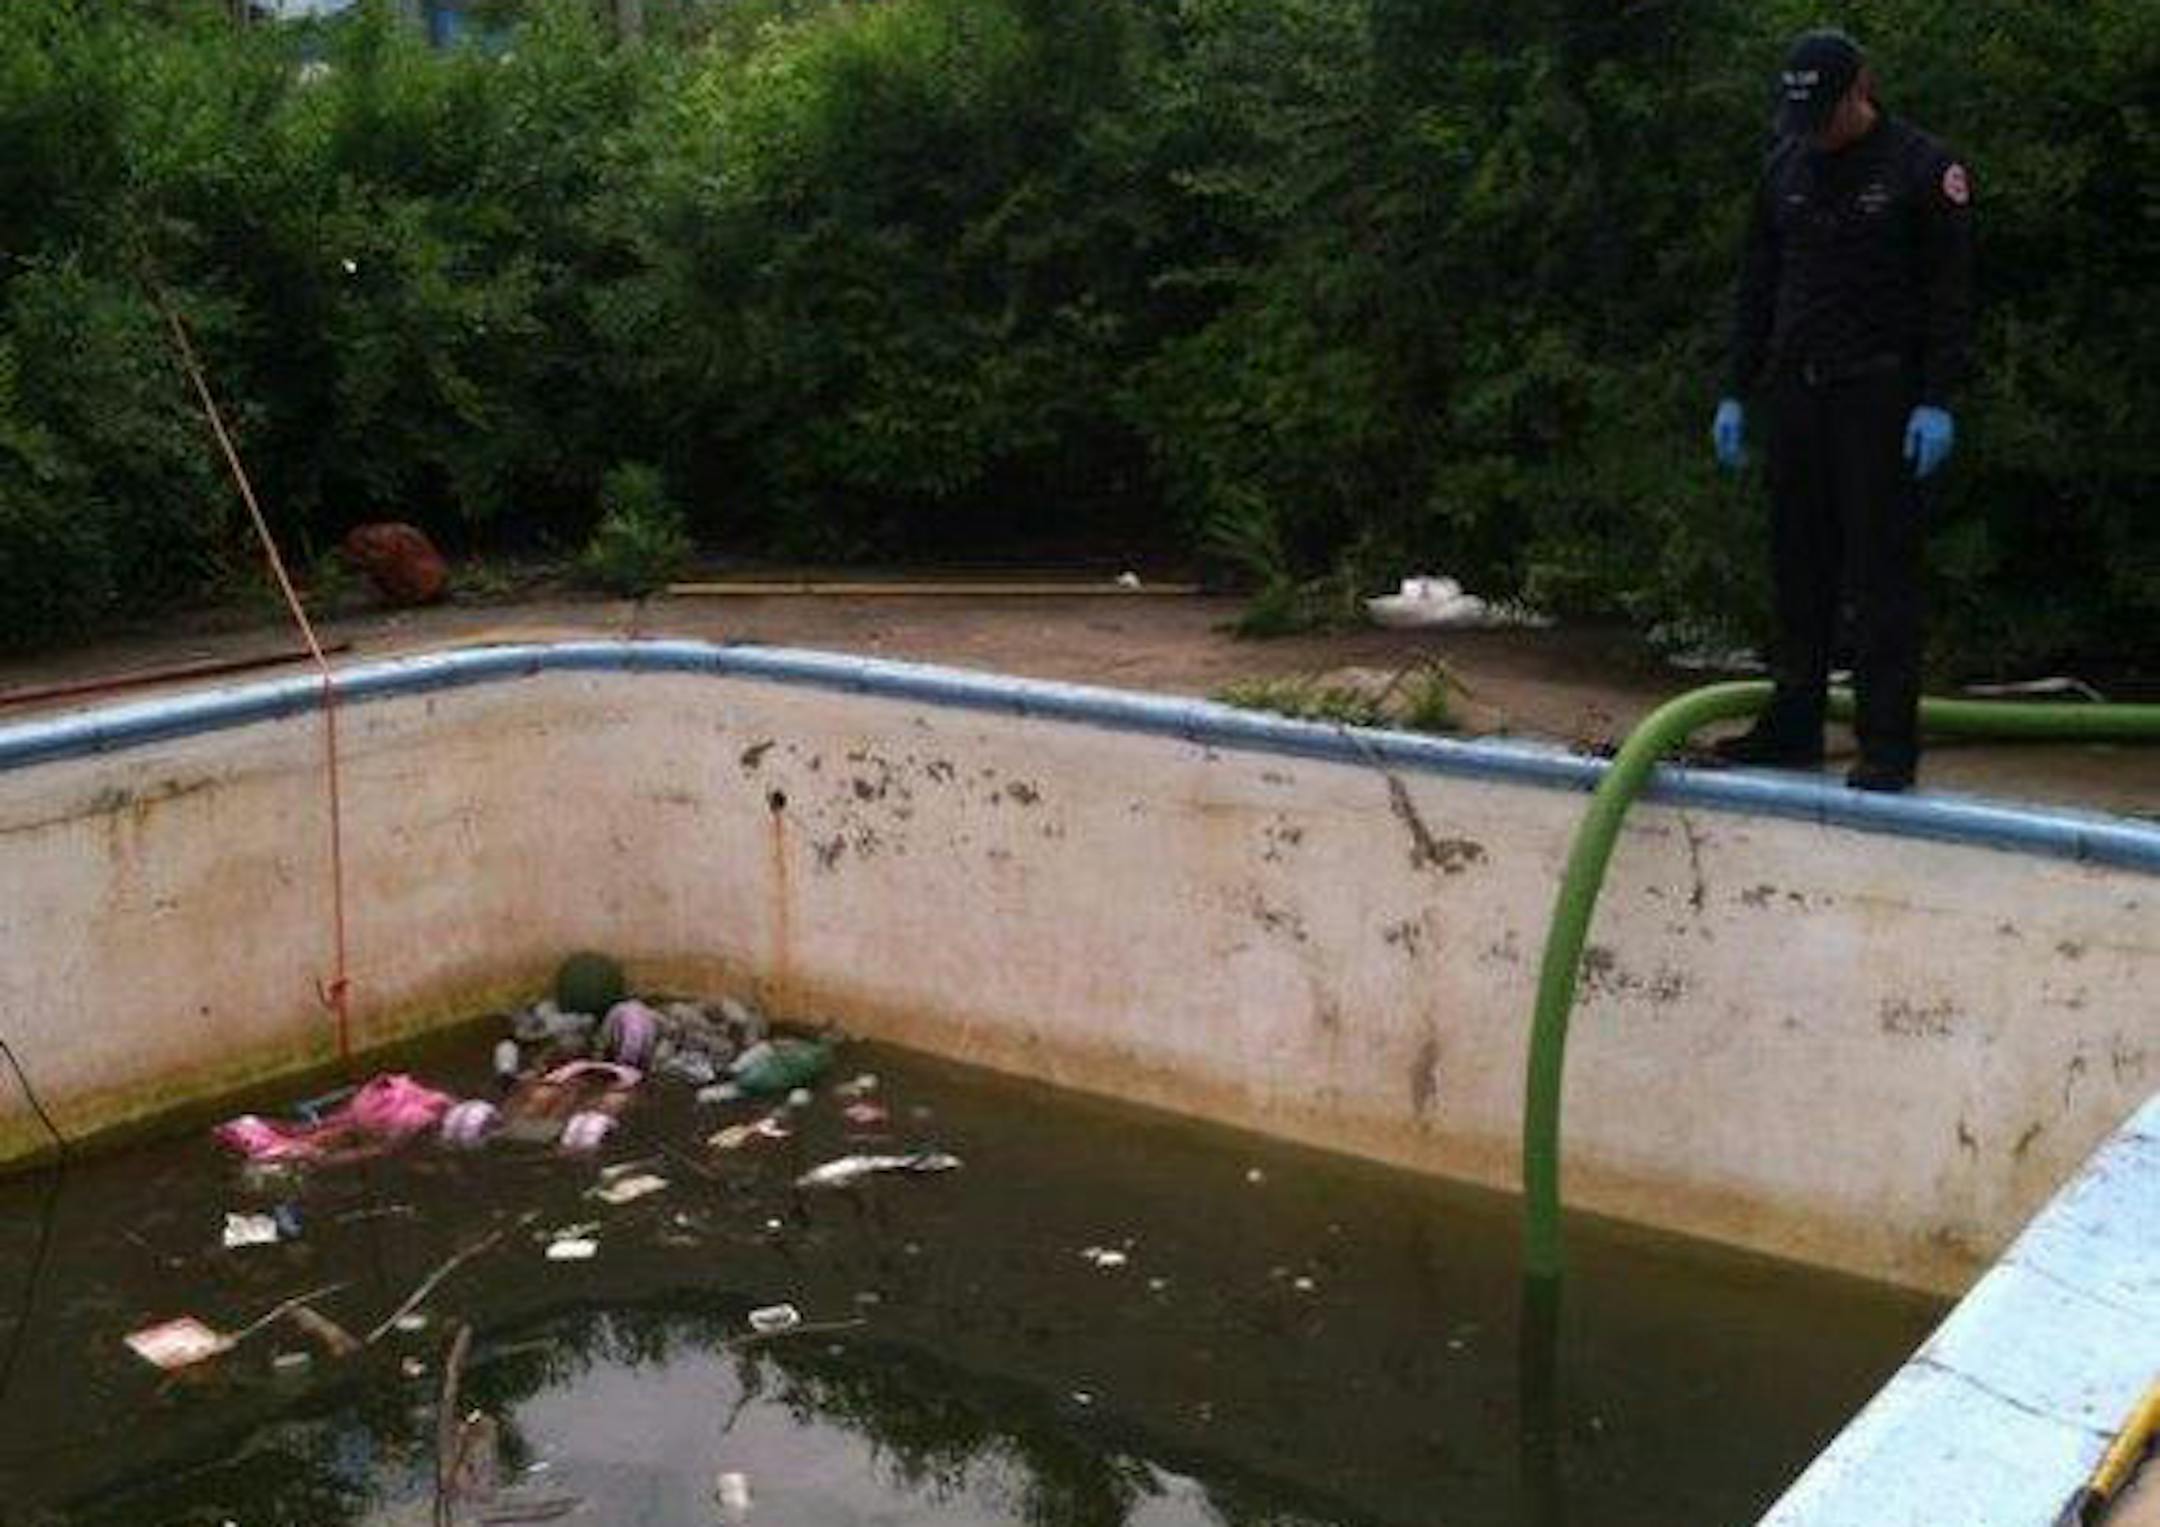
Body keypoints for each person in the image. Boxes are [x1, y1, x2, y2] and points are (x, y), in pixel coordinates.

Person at [1709, 28, 1974, 793]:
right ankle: (1794, 722)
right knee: (1797, 565)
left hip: (1880, 395)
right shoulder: (1785, 168)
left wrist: (1936, 400)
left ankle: (1887, 742)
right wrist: (1736, 388)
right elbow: (1757, 286)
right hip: (1798, 390)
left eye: (1825, 116)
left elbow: (1951, 297)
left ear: (1862, 90)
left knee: (1880, 573)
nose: (1815, 133)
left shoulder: (1923, 169)